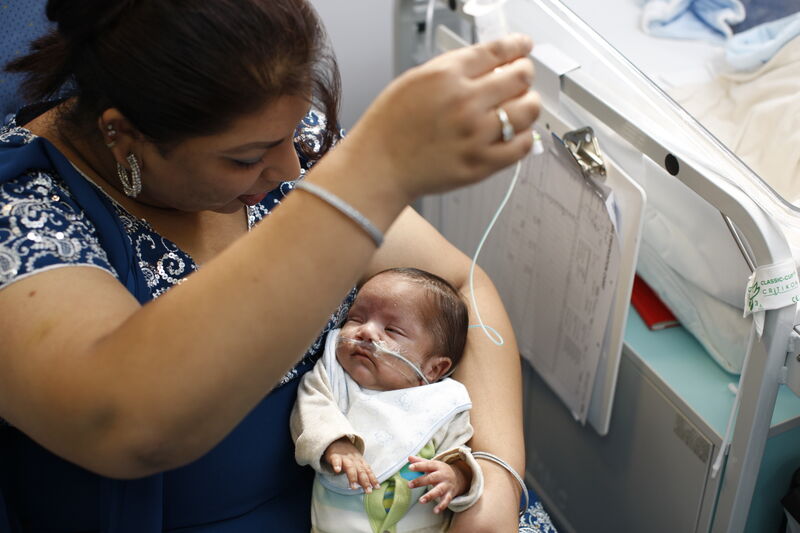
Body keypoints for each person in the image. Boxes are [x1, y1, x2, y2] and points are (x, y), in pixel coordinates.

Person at [0, 0, 546, 531]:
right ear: (121, 134)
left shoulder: (273, 131)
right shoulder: (24, 214)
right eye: (245, 158)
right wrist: (372, 172)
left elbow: (456, 286)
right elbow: (128, 424)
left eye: (293, 136)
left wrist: (496, 480)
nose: (291, 166)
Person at [291, 267, 480, 532]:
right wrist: (337, 442)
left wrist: (457, 476)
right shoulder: (334, 376)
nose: (366, 332)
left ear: (433, 369)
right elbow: (311, 407)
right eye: (356, 318)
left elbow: (459, 454)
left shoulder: (442, 402)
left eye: (391, 330)